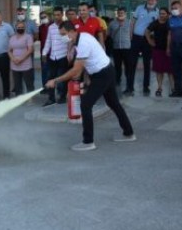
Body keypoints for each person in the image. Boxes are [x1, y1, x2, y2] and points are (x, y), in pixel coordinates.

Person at [45, 21, 136, 151]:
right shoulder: (81, 38)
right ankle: (129, 133)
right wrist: (86, 76)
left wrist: (55, 80)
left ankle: (88, 141)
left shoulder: (83, 43)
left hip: (103, 74)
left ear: (71, 32)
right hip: (105, 71)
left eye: (63, 34)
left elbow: (76, 69)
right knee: (114, 103)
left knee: (85, 104)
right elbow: (85, 63)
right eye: (60, 35)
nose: (62, 37)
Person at [131, 0, 160, 96]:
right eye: (149, 0)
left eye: (152, 0)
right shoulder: (139, 8)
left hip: (148, 40)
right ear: (146, 0)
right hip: (136, 38)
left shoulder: (157, 12)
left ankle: (146, 87)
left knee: (147, 64)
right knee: (132, 63)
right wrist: (131, 36)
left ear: (156, 1)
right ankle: (130, 87)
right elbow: (132, 22)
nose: (150, 2)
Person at [41, 7, 68, 106]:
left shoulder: (66, 26)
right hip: (52, 57)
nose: (56, 17)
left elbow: (69, 41)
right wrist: (44, 53)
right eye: (54, 15)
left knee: (61, 78)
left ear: (62, 15)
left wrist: (69, 54)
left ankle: (62, 97)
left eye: (58, 15)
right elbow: (48, 41)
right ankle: (51, 98)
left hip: (63, 56)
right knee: (50, 77)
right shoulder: (51, 27)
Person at [145, 7, 173, 97]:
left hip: (169, 50)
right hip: (158, 49)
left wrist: (169, 48)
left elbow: (170, 35)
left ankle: (173, 88)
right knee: (159, 70)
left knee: (170, 70)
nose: (161, 15)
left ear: (168, 14)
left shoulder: (170, 22)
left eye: (163, 13)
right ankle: (159, 88)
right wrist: (150, 41)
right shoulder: (155, 23)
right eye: (160, 13)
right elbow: (147, 31)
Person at [108, 7, 135, 96]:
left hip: (127, 48)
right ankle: (117, 82)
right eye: (119, 13)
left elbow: (131, 34)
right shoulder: (112, 23)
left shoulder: (129, 22)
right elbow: (110, 35)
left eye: (122, 13)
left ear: (125, 13)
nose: (120, 14)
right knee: (117, 67)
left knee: (128, 69)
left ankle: (129, 87)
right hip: (116, 48)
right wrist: (118, 28)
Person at [9, 21, 34, 96]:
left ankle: (30, 98)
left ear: (25, 28)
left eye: (22, 27)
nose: (20, 29)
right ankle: (19, 98)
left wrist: (21, 59)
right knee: (17, 84)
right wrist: (13, 59)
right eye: (19, 27)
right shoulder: (12, 38)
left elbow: (30, 50)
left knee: (28, 83)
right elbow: (9, 50)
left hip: (26, 64)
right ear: (15, 28)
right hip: (15, 64)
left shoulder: (28, 37)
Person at [168, 1, 182, 97]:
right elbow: (169, 34)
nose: (174, 10)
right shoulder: (170, 19)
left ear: (181, 8)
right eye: (172, 8)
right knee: (176, 71)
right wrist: (168, 47)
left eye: (176, 7)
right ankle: (178, 91)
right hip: (174, 47)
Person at [38, 12, 51, 92]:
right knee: (44, 70)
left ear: (48, 16)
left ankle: (51, 87)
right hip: (43, 53)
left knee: (52, 71)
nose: (43, 19)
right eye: (41, 18)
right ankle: (45, 87)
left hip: (53, 52)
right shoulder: (40, 27)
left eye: (44, 17)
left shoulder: (53, 26)